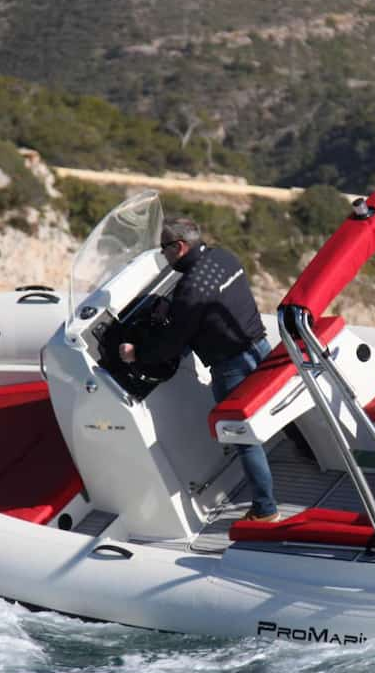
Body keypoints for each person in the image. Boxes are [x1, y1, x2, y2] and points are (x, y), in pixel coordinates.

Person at [118, 217, 279, 522]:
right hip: (261, 349)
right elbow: (209, 304)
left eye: (164, 250)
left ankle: (265, 510)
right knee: (272, 413)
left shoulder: (190, 290)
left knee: (243, 437)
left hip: (231, 368)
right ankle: (303, 451)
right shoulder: (224, 256)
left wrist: (135, 354)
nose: (163, 256)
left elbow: (169, 346)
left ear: (179, 247)